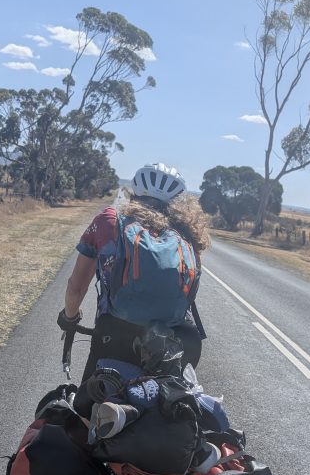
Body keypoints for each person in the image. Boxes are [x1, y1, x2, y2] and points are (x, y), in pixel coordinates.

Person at [57, 163, 210, 381]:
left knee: (91, 398)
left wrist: (69, 318)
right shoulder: (188, 234)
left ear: (134, 194)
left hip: (115, 334)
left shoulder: (109, 221)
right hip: (175, 341)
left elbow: (76, 288)